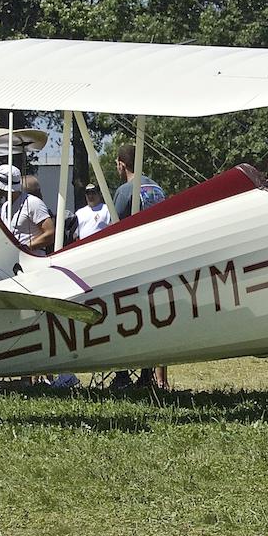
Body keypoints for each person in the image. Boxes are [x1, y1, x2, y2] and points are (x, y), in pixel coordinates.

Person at [108, 144, 169, 391]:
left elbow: (115, 228)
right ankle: (148, 374)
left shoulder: (124, 191)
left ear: (122, 163)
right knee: (152, 318)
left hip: (131, 262)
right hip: (156, 260)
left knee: (125, 317)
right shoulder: (157, 188)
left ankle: (122, 375)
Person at [0, 164, 54, 254]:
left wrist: (25, 248)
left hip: (33, 261)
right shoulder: (5, 207)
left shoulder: (32, 203)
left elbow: (50, 234)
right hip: (13, 261)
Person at [113, 144, 166, 220]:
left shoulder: (124, 191)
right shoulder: (157, 187)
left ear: (121, 165)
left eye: (117, 164)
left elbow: (115, 225)